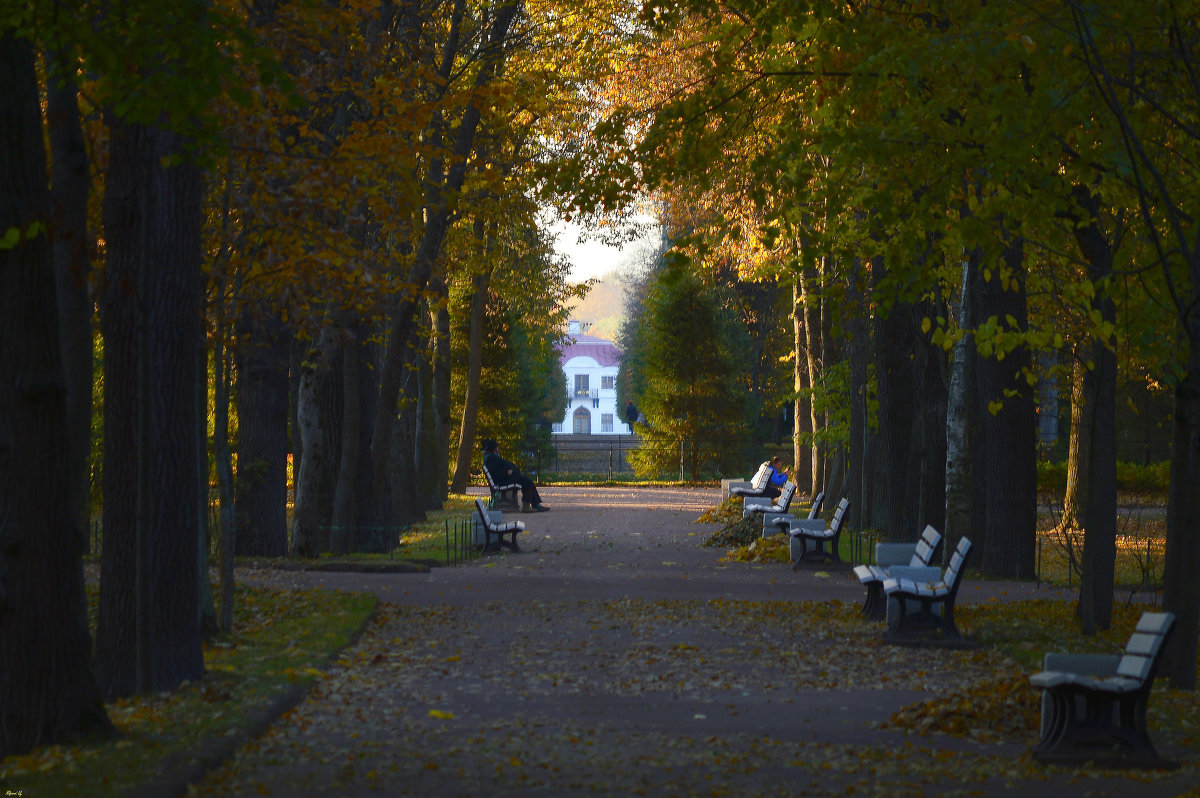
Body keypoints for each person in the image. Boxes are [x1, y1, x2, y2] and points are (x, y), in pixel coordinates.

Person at [482, 438, 548, 512]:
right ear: (493, 448)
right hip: (503, 481)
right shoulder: (490, 458)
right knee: (528, 482)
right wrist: (507, 472)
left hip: (506, 479)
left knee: (527, 481)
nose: (498, 448)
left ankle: (535, 504)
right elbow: (495, 472)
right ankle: (528, 505)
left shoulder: (491, 456)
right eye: (496, 446)